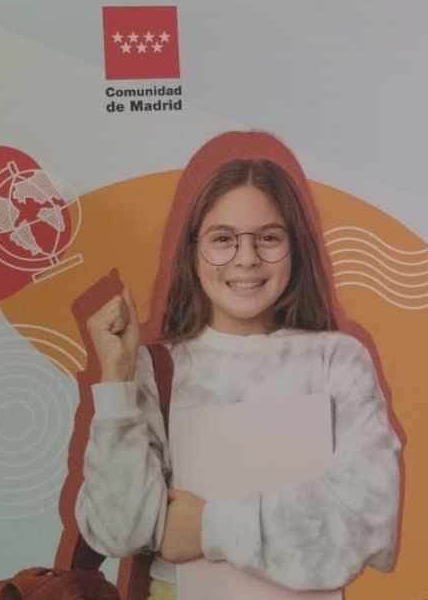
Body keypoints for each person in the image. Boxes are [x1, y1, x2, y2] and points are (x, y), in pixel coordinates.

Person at [73, 131, 402, 598]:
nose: (246, 258)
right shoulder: (156, 367)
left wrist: (209, 526)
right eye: (223, 239)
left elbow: (369, 520)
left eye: (268, 238)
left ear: (296, 247)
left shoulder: (336, 361)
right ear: (192, 250)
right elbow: (116, 531)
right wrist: (117, 383)